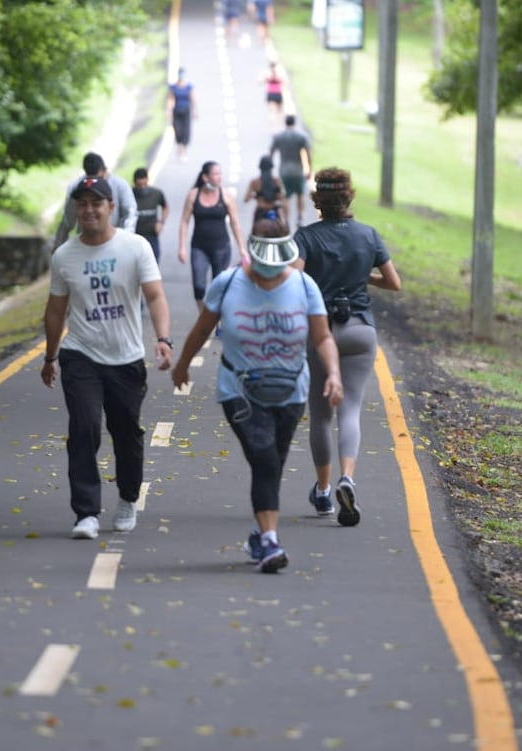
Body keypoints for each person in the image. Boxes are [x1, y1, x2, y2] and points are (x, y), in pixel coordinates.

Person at [170, 215, 343, 573]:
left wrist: (335, 375)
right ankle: (269, 542)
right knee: (264, 459)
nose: (269, 275)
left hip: (291, 390)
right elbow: (203, 328)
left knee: (274, 463)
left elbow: (323, 337)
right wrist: (182, 363)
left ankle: (259, 533)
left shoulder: (305, 286)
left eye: (275, 269)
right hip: (240, 391)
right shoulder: (227, 283)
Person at [41, 176, 173, 540]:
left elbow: (156, 297)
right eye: (82, 204)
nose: (89, 210)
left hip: (126, 358)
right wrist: (51, 356)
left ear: (110, 207)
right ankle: (86, 513)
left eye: (96, 203)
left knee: (126, 432)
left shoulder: (135, 247)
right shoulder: (65, 255)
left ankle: (128, 497)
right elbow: (55, 311)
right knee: (84, 427)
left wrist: (163, 339)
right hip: (80, 354)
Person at [294, 167, 403, 527]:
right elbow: (393, 283)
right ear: (350, 196)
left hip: (322, 332)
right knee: (351, 409)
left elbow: (294, 279)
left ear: (317, 201)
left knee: (322, 415)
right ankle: (347, 478)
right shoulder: (368, 235)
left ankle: (323, 492)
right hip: (360, 330)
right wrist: (361, 277)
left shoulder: (306, 237)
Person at [177, 160, 248, 311]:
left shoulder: (226, 196)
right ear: (205, 177)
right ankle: (204, 318)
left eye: (220, 174)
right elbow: (184, 221)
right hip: (199, 248)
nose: (219, 177)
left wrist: (242, 248)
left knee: (220, 287)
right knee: (199, 287)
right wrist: (182, 247)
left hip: (221, 248)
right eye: (215, 174)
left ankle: (218, 322)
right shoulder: (193, 195)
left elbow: (235, 223)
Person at [52, 152, 138, 251]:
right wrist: (58, 246)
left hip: (115, 245)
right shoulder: (77, 187)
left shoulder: (120, 185)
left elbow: (130, 213)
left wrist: (126, 240)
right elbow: (67, 220)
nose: (95, 184)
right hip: (85, 245)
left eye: (99, 178)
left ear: (105, 171)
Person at [271, 115, 313, 226]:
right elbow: (308, 154)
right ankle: (300, 217)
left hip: (284, 170)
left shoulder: (279, 136)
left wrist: (270, 170)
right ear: (294, 123)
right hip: (298, 170)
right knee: (300, 194)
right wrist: (309, 169)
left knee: (285, 196)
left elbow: (271, 153)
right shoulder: (302, 136)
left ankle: (286, 220)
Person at [131, 167, 168, 261]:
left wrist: (161, 222)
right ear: (135, 182)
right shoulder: (129, 194)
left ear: (147, 180)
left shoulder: (156, 193)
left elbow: (165, 207)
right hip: (135, 236)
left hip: (152, 235)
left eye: (144, 184)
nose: (142, 187)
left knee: (154, 261)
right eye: (140, 185)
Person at [242, 155, 286, 221]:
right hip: (273, 211)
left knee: (255, 230)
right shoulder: (277, 181)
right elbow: (283, 198)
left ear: (260, 167)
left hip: (260, 211)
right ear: (272, 167)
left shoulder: (255, 182)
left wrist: (255, 195)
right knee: (281, 228)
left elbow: (246, 199)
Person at [167, 68, 196, 162]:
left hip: (186, 110)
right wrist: (169, 111)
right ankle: (179, 148)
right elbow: (171, 100)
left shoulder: (188, 87)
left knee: (186, 131)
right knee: (177, 130)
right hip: (176, 110)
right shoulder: (173, 87)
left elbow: (192, 99)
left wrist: (194, 110)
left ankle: (183, 151)